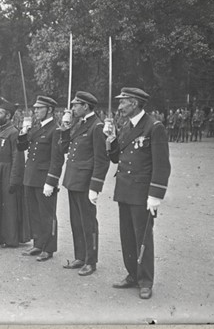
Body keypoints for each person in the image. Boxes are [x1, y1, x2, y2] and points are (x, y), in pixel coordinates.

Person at [103, 87, 171, 300]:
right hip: (124, 189)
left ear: (134, 103)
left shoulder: (154, 127)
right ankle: (132, 274)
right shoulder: (125, 126)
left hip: (142, 192)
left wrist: (155, 195)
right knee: (127, 236)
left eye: (123, 103)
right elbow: (116, 158)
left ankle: (145, 280)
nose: (120, 107)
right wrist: (111, 139)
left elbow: (161, 165)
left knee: (142, 238)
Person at [58, 91, 109, 276]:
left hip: (86, 182)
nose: (72, 109)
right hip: (73, 180)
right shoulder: (80, 124)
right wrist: (64, 129)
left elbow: (102, 160)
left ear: (85, 106)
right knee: (76, 221)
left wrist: (95, 186)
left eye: (75, 105)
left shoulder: (97, 126)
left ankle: (90, 261)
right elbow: (64, 149)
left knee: (88, 223)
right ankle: (80, 256)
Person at [17, 96, 63, 262]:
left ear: (49, 110)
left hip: (44, 179)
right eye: (35, 108)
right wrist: (23, 132)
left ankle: (48, 248)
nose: (35, 111)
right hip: (31, 177)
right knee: (34, 213)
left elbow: (57, 159)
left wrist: (51, 181)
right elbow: (21, 147)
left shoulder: (55, 130)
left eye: (39, 108)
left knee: (47, 214)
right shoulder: (36, 129)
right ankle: (38, 243)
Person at [0, 97, 29, 247]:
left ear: (8, 116)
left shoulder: (13, 132)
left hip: (7, 173)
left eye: (0, 113)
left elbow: (17, 157)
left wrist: (15, 178)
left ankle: (10, 238)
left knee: (8, 206)